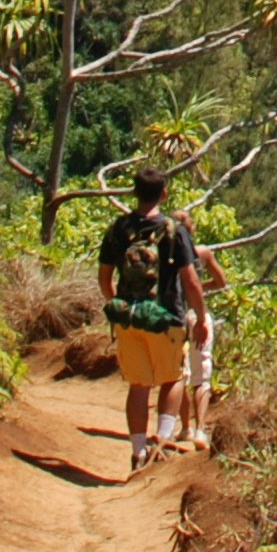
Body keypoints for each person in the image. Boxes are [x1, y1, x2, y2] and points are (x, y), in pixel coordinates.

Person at [95, 170, 195, 477]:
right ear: (163, 193)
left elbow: (104, 276)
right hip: (166, 317)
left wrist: (121, 306)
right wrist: (201, 318)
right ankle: (161, 442)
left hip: (130, 317)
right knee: (174, 378)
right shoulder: (173, 230)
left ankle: (137, 452)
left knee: (138, 386)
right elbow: (190, 280)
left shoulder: (119, 228)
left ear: (134, 192)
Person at [177, 228, 229, 454]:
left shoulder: (164, 256)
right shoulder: (203, 253)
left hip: (175, 316)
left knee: (179, 374)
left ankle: (185, 427)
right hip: (198, 315)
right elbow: (221, 282)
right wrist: (198, 289)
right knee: (202, 375)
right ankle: (200, 429)